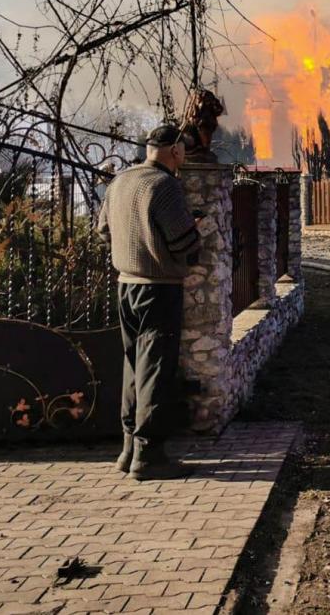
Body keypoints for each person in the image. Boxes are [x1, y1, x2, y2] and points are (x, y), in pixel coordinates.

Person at [97, 124, 202, 480]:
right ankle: (149, 454)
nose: (184, 156)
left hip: (125, 285)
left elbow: (103, 230)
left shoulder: (121, 181)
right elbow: (184, 244)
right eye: (183, 150)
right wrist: (194, 232)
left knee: (132, 365)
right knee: (155, 368)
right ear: (174, 150)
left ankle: (128, 448)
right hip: (158, 288)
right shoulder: (165, 186)